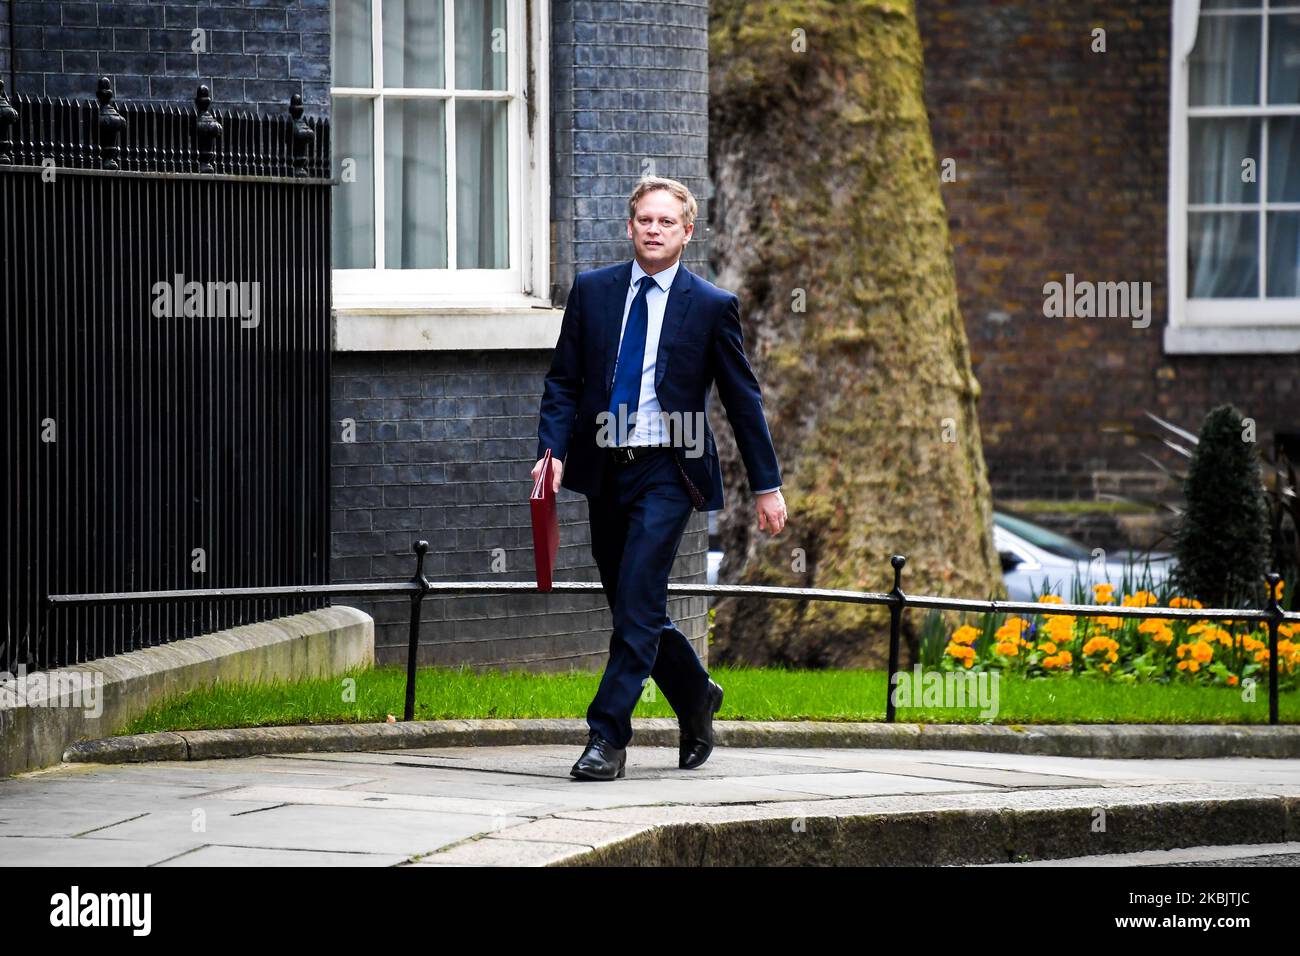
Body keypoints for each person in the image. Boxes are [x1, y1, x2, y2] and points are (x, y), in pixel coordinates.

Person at [533, 176, 787, 781]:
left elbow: (742, 399)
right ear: (630, 227)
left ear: (687, 233)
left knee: (641, 596)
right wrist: (553, 452)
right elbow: (563, 382)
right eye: (645, 219)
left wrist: (767, 486)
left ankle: (607, 737)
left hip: (669, 470)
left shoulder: (710, 305)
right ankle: (696, 694)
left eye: (666, 222)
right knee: (631, 605)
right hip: (604, 468)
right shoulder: (593, 293)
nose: (653, 229)